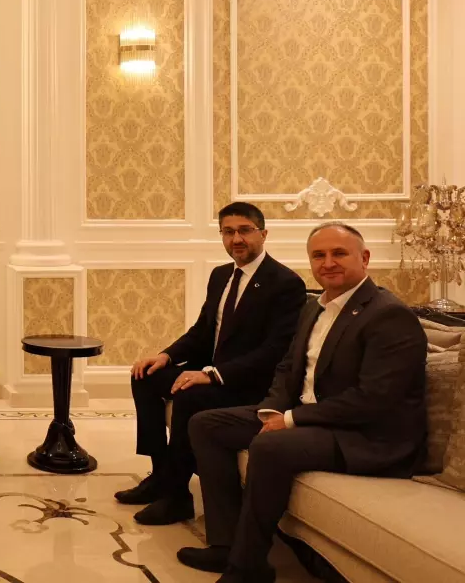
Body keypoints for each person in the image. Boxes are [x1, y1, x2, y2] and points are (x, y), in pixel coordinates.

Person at [178, 222, 427, 583]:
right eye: (318, 255)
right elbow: (288, 367)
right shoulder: (313, 307)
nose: (328, 263)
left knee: (270, 446)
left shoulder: (388, 315)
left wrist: (291, 419)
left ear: (365, 258)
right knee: (206, 424)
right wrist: (272, 409)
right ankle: (224, 545)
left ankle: (247, 568)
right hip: (312, 417)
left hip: (367, 435)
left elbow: (373, 400)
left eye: (339, 253)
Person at [116, 202, 307, 525]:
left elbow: (275, 351)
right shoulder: (221, 276)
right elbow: (203, 331)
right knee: (145, 376)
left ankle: (177, 497)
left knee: (189, 395)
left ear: (263, 234)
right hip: (214, 374)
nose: (236, 239)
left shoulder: (285, 283)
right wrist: (166, 356)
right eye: (228, 232)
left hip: (249, 383)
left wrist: (214, 375)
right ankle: (160, 475)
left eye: (245, 230)